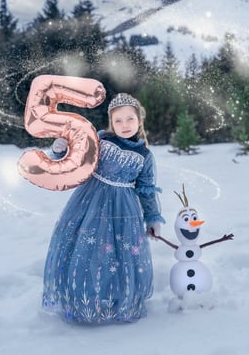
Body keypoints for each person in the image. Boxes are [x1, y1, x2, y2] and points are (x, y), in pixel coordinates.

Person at [42, 92, 165, 324]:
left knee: (119, 253)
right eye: (118, 120)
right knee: (88, 249)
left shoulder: (145, 155)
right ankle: (84, 298)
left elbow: (146, 189)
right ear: (111, 122)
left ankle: (115, 298)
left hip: (124, 209)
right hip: (91, 202)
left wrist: (152, 218)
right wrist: (60, 150)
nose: (124, 125)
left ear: (139, 120)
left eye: (130, 119)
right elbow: (77, 158)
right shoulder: (100, 139)